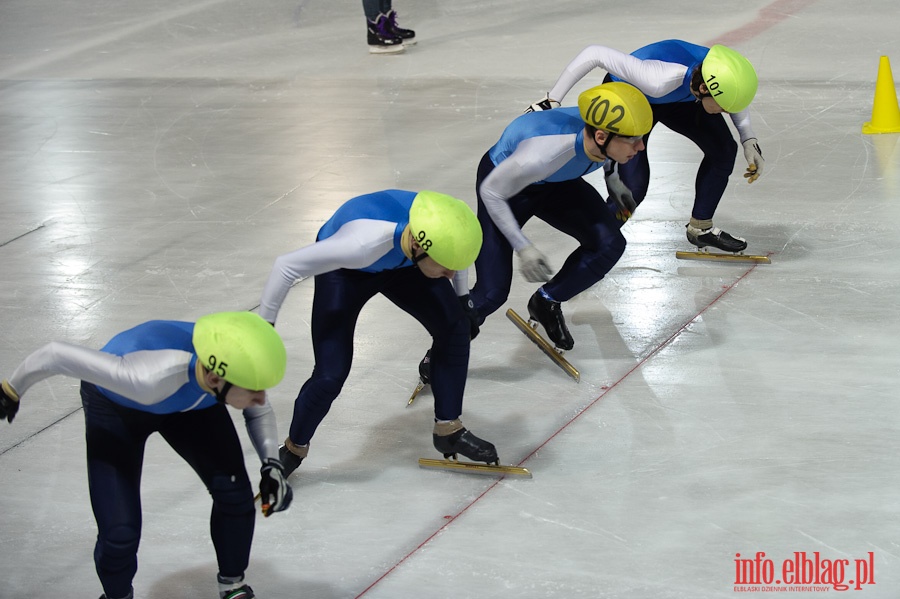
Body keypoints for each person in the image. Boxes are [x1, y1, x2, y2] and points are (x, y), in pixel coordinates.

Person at [0, 311, 293, 599]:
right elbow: (54, 354)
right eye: (254, 391)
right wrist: (11, 390)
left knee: (236, 495)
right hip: (118, 409)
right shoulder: (143, 377)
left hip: (190, 405)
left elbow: (258, 407)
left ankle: (232, 585)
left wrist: (271, 466)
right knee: (119, 534)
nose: (262, 399)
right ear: (216, 378)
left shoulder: (228, 370)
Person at [257, 189, 497, 478]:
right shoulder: (358, 244)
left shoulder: (441, 228)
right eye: (445, 267)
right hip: (347, 272)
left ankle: (449, 429)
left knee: (456, 326)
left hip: (404, 263)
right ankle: (294, 448)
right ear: (419, 245)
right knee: (330, 375)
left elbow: (456, 257)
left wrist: (463, 300)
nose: (451, 274)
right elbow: (285, 266)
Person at [448, 82, 653, 357]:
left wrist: (613, 180)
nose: (641, 147)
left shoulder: (601, 136)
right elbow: (490, 192)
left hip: (556, 180)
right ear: (602, 137)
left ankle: (546, 301)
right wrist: (523, 247)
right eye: (633, 140)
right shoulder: (545, 153)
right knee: (491, 292)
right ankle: (442, 348)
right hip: (506, 188)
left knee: (609, 244)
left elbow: (609, 156)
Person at [532, 40, 763, 252]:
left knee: (724, 150)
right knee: (633, 189)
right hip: (633, 99)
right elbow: (595, 53)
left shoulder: (717, 72)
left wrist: (748, 139)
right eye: (724, 107)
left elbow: (734, 96)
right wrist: (552, 98)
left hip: (678, 98)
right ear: (704, 89)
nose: (727, 111)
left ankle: (700, 228)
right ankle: (597, 244)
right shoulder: (658, 78)